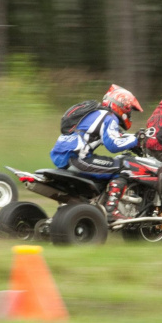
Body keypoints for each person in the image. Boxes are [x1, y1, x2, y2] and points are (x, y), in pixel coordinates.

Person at [50, 84, 144, 221]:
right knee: (124, 167)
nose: (129, 114)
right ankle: (111, 210)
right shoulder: (109, 117)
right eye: (130, 111)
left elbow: (117, 135)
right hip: (78, 157)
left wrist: (132, 140)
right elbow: (113, 144)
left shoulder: (96, 113)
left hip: (62, 156)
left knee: (106, 167)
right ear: (123, 106)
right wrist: (137, 139)